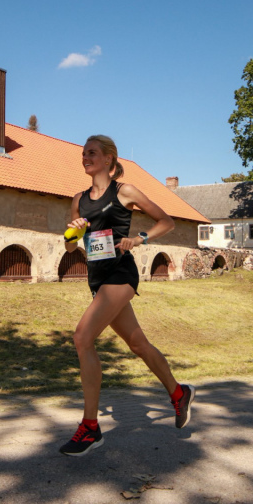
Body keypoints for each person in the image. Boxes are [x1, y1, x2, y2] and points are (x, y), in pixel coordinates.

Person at [59, 134, 195, 457]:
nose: (85, 157)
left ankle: (90, 428)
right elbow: (69, 246)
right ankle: (179, 393)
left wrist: (140, 238)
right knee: (138, 344)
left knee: (82, 336)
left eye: (92, 152)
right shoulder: (78, 199)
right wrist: (73, 232)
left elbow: (167, 221)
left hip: (121, 275)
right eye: (83, 153)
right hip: (98, 278)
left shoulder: (125, 191)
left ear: (108, 158)